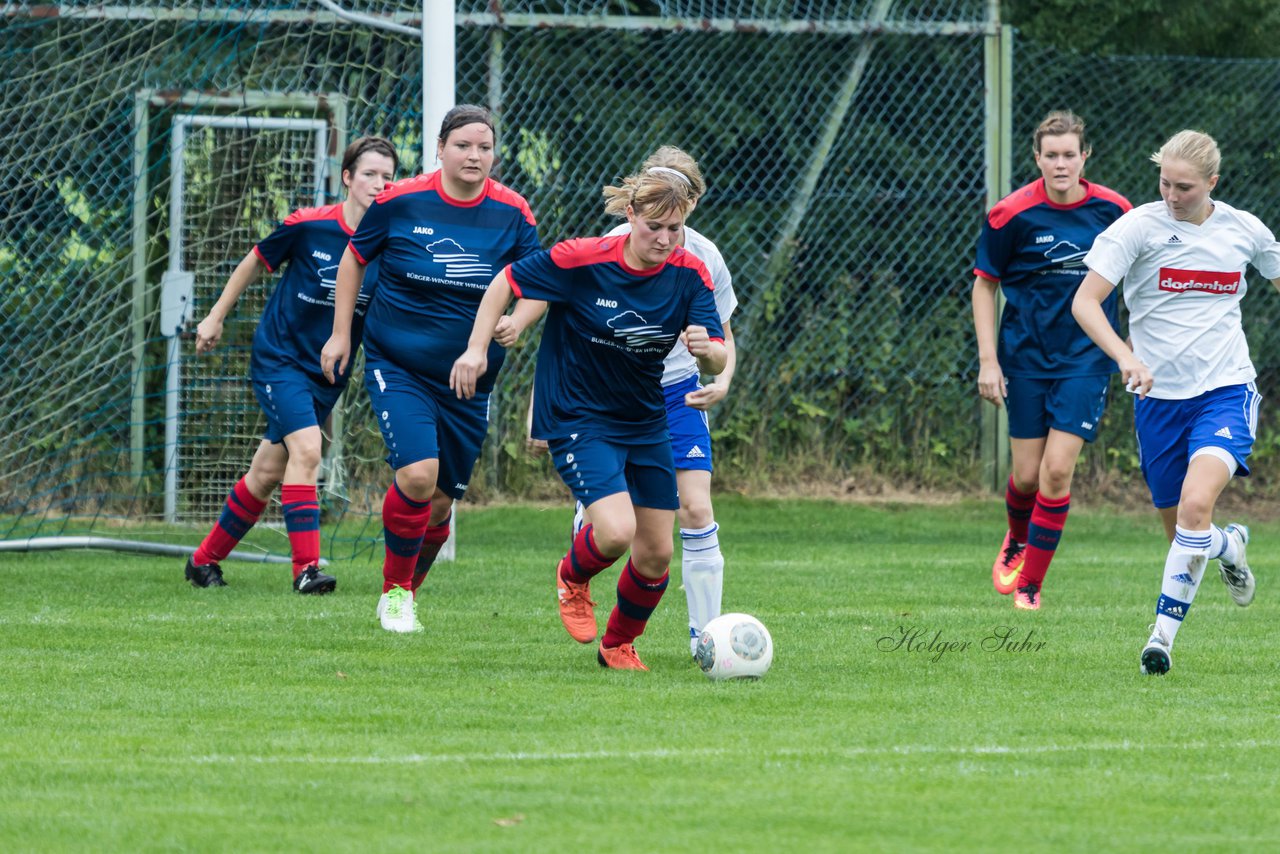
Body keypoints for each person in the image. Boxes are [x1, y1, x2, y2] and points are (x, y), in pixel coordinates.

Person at [451, 167, 728, 671]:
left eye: (675, 228)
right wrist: (475, 350)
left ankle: (617, 644)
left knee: (656, 555)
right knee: (617, 531)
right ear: (631, 216)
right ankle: (572, 576)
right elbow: (504, 283)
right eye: (654, 227)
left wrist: (706, 350)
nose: (664, 239)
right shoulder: (584, 257)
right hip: (579, 412)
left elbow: (718, 355)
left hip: (644, 417)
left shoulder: (691, 273)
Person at [321, 105, 540, 634]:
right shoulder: (400, 201)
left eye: (484, 146)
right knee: (419, 476)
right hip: (399, 363)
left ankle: (404, 592)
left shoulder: (513, 211)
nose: (474, 155)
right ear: (439, 148)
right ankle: (395, 594)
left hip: (471, 376)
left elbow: (538, 283)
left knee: (442, 503)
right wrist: (341, 332)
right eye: (463, 145)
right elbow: (354, 259)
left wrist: (519, 319)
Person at [1073, 129, 1280, 675]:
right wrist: (1125, 356)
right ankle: (1228, 546)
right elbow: (1086, 302)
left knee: (1193, 507)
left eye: (1184, 186)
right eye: (1164, 182)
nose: (1171, 194)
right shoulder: (1138, 227)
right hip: (1159, 402)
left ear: (1213, 182)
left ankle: (1160, 640)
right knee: (1183, 534)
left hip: (1225, 390)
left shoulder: (1243, 230)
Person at [185, 136, 398, 593]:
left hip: (327, 374)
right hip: (279, 359)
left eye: (387, 176)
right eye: (369, 174)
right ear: (347, 178)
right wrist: (215, 316)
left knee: (265, 473)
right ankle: (306, 570)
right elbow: (253, 263)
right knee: (307, 451)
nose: (379, 184)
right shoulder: (309, 225)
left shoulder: (390, 243)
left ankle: (203, 562)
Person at [971, 110, 1132, 610]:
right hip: (1023, 358)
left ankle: (1030, 586)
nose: (1060, 164)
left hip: (1085, 359)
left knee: (1056, 473)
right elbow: (984, 285)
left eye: (1069, 155)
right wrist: (988, 361)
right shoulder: (1009, 213)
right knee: (1025, 477)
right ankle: (1017, 539)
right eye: (1051, 155)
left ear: (1085, 157)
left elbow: (1140, 277)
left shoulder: (1116, 211)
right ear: (1037, 158)